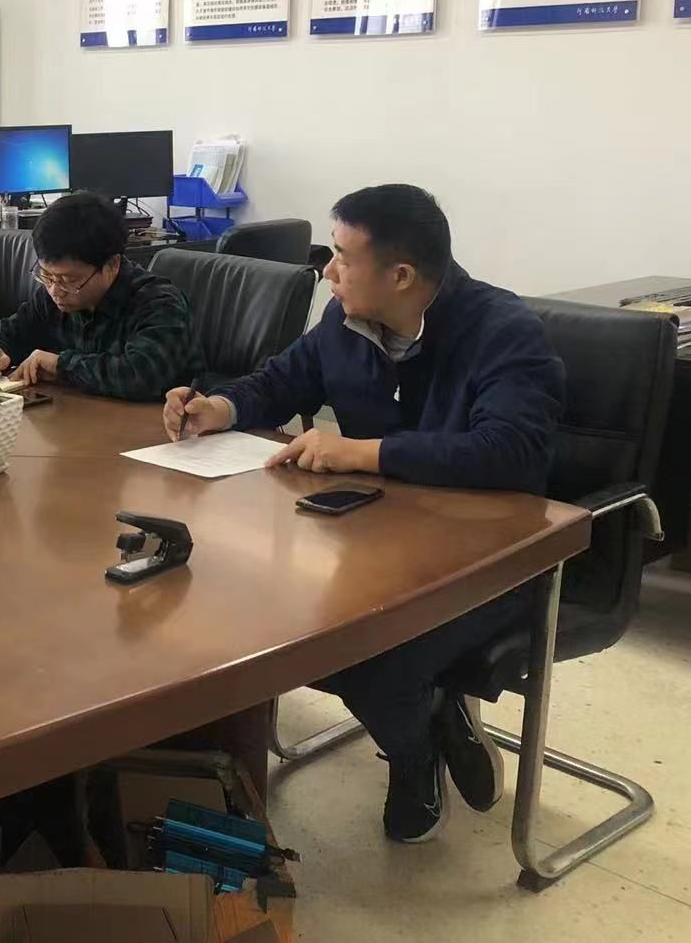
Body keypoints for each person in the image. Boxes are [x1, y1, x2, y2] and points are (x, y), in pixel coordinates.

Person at [163, 184, 563, 844]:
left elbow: (510, 451)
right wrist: (219, 408)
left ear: (400, 276)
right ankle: (429, 719)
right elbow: (281, 381)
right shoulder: (345, 321)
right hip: (378, 542)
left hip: (488, 561)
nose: (328, 271)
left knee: (372, 661)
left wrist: (363, 452)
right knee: (292, 633)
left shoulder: (502, 331)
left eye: (343, 258)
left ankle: (415, 750)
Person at [0, 191, 203, 401]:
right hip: (80, 417)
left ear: (112, 265)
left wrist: (61, 365)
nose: (55, 290)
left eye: (69, 280)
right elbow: (9, 330)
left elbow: (141, 376)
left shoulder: (159, 303)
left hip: (158, 427)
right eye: (46, 275)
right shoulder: (53, 295)